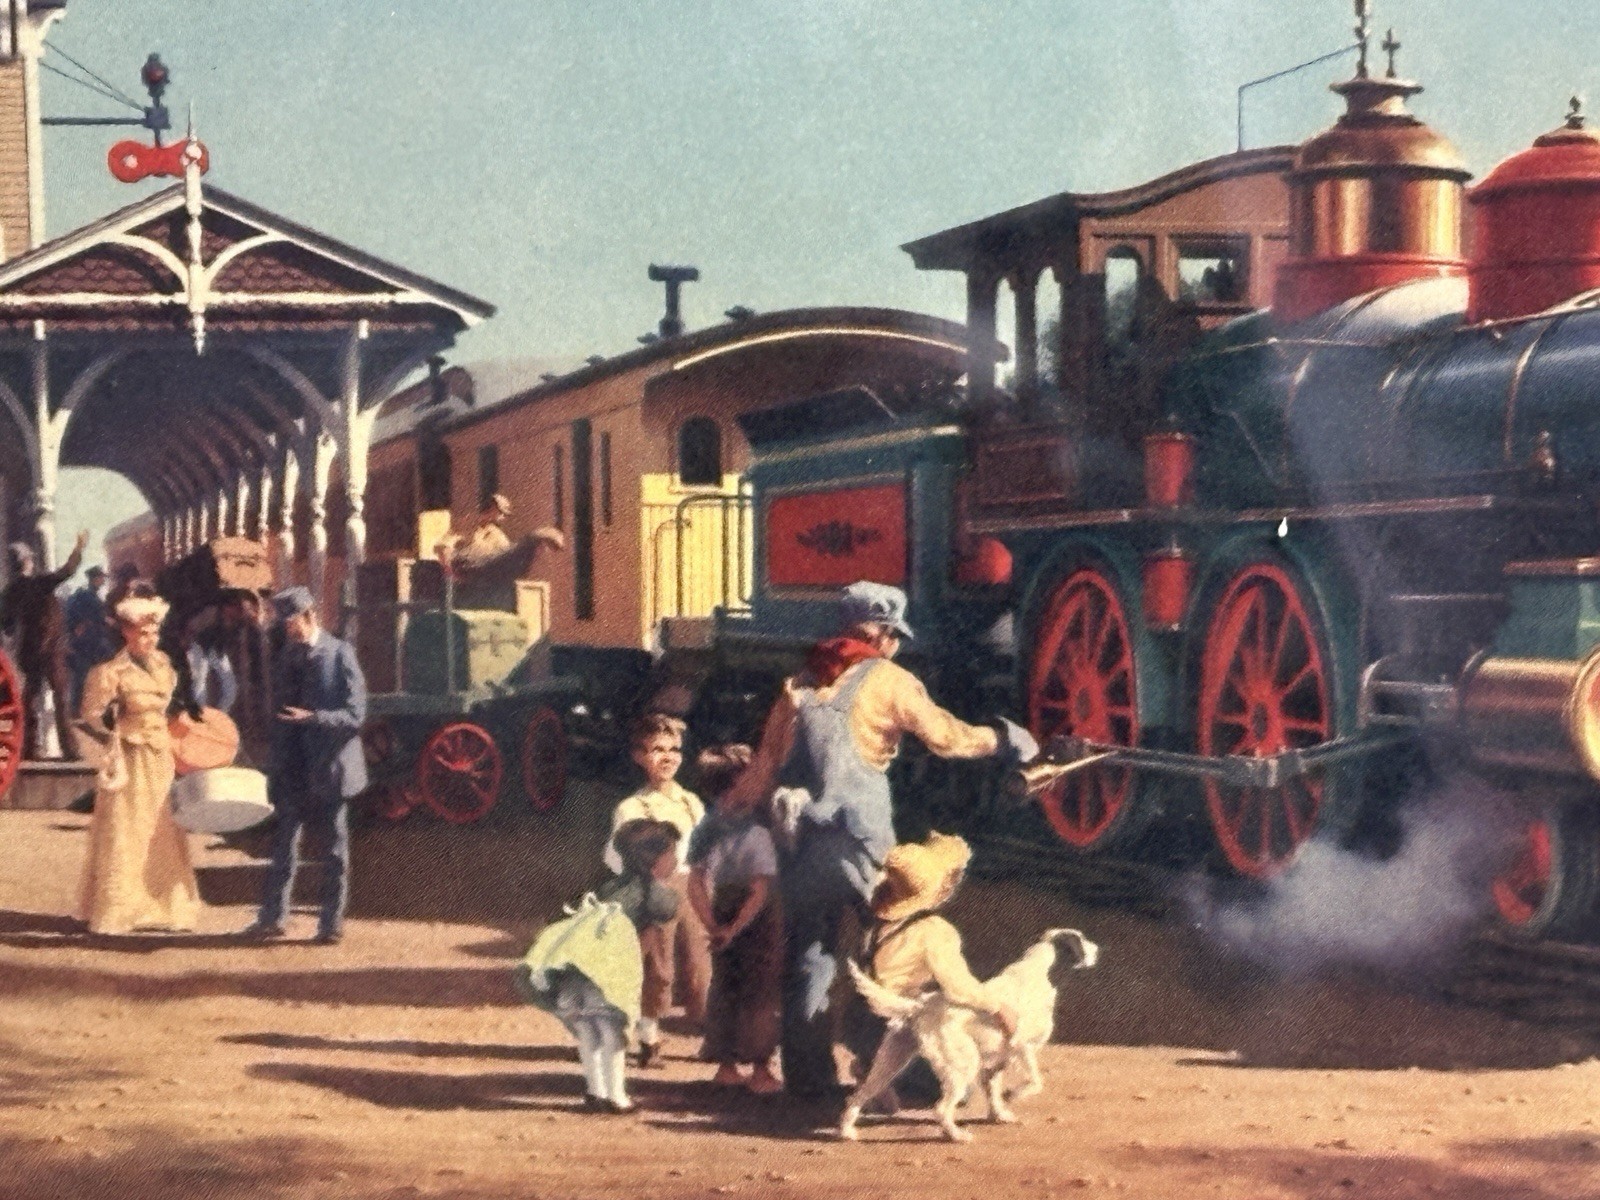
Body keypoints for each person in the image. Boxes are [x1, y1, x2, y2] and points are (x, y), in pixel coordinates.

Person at [728, 580, 1037, 1099]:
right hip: (860, 839)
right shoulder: (891, 680)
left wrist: (729, 818)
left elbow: (764, 767)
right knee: (893, 948)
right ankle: (900, 1072)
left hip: (802, 839)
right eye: (895, 636)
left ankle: (808, 1079)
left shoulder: (797, 685)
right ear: (886, 634)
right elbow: (947, 738)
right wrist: (1005, 739)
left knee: (810, 952)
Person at [514, 819, 682, 1114]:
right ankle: (617, 1096)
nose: (676, 860)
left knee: (588, 1033)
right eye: (671, 854)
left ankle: (594, 1091)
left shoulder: (604, 885)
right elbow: (654, 927)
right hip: (608, 975)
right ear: (656, 859)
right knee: (612, 1036)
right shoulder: (655, 893)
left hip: (576, 973)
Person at [842, 831, 1016, 1114]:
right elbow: (958, 987)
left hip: (857, 1018)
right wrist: (997, 1007)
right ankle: (890, 1084)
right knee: (957, 1089)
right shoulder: (933, 930)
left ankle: (871, 1068)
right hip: (893, 1025)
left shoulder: (877, 916)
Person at [241, 586, 367, 945]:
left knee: (334, 850)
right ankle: (273, 919)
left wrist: (314, 718)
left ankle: (330, 924)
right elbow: (280, 715)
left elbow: (356, 716)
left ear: (309, 616)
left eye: (290, 622)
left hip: (330, 767)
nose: (286, 629)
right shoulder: (287, 657)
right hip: (294, 768)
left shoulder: (341, 655)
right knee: (283, 846)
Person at [76, 585, 203, 935]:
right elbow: (90, 715)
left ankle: (163, 907)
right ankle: (121, 910)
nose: (150, 638)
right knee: (127, 830)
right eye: (143, 633)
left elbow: (171, 705)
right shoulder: (110, 672)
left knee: (161, 829)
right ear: (127, 633)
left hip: (160, 755)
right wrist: (112, 736)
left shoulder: (164, 664)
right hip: (130, 759)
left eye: (155, 632)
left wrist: (180, 724)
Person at [604, 712, 712, 1055]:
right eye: (657, 750)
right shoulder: (633, 807)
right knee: (657, 964)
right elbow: (614, 855)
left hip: (692, 886)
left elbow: (704, 847)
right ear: (639, 756)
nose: (668, 758)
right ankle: (649, 1035)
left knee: (699, 961)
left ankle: (707, 1034)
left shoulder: (690, 802)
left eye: (674, 749)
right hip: (654, 889)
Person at [686, 744, 784, 1095]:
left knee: (726, 985)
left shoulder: (708, 826)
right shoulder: (758, 827)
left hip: (722, 905)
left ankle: (726, 1064)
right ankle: (760, 1068)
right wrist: (736, 927)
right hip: (757, 913)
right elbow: (761, 887)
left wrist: (713, 924)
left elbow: (695, 881)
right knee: (760, 989)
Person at [0, 530, 89, 760]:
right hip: (52, 650)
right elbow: (67, 571)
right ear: (28, 561)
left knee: (30, 699)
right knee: (60, 698)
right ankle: (70, 749)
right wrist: (78, 549)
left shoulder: (12, 591)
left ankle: (29, 748)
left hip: (30, 652)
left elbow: (6, 624)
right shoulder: (39, 583)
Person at [436, 493, 564, 573]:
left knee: (511, 555)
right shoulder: (467, 525)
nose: (503, 517)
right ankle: (534, 537)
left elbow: (505, 554)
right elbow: (443, 547)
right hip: (467, 567)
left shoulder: (496, 533)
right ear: (492, 508)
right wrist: (449, 571)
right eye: (501, 513)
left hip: (486, 570)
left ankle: (534, 540)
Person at [65, 565, 116, 715]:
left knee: (84, 675)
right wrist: (110, 622)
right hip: (89, 641)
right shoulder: (87, 596)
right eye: (101, 578)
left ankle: (80, 708)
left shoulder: (87, 594)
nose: (103, 581)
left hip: (90, 640)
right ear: (94, 579)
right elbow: (96, 617)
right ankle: (78, 710)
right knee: (85, 673)